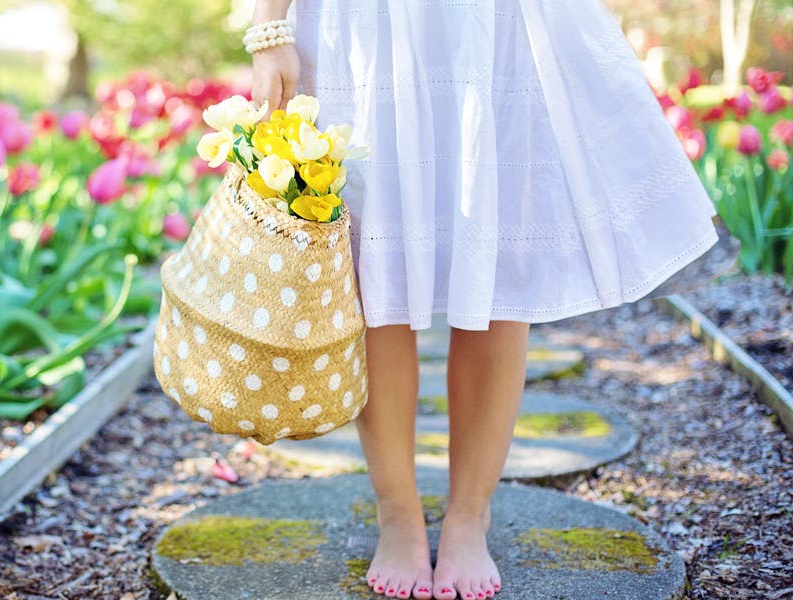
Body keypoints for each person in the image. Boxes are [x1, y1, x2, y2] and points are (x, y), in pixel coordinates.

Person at [246, 1, 720, 598]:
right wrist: (269, 27)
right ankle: (398, 513)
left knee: (498, 254)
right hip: (362, 23)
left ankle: (471, 514)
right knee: (372, 261)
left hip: (494, 21)